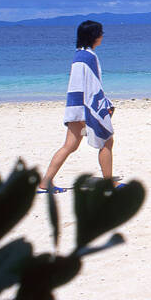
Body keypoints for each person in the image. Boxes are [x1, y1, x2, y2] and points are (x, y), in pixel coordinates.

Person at [40, 20, 115, 193]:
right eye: (100, 33)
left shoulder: (80, 55)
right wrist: (100, 107)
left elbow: (83, 85)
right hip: (84, 108)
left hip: (75, 106)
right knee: (107, 141)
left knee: (70, 146)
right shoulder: (87, 57)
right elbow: (90, 87)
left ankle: (45, 182)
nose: (102, 36)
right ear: (93, 36)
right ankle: (109, 183)